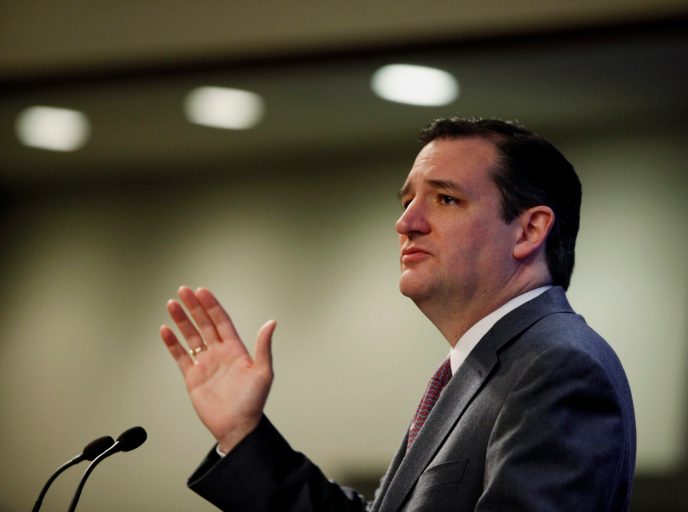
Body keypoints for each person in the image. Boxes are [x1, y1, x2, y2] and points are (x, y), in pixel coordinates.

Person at [160, 117, 636, 511]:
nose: (406, 222)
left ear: (529, 231)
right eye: (408, 201)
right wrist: (243, 435)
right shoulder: (493, 366)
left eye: (445, 199)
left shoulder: (557, 367)